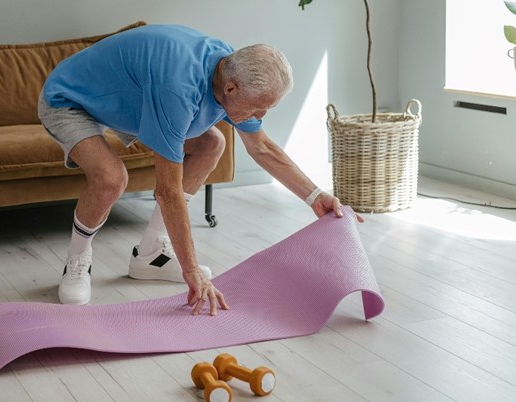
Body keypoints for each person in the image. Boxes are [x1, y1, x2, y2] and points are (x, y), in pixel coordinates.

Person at [38, 24, 359, 315]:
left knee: (211, 144)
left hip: (125, 100)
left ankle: (150, 254)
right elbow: (168, 192)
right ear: (231, 89)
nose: (261, 114)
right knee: (111, 178)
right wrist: (192, 273)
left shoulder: (228, 67)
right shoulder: (178, 89)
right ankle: (77, 260)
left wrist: (314, 195)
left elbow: (261, 146)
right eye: (260, 106)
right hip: (70, 99)